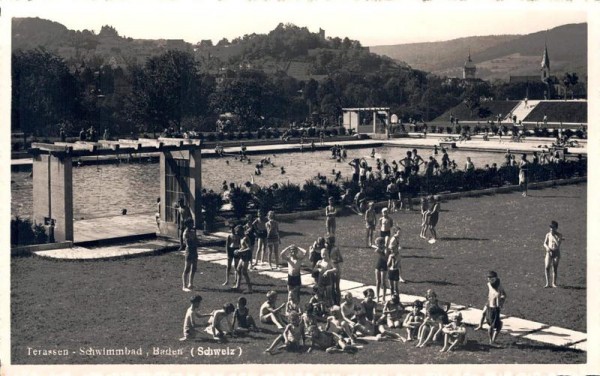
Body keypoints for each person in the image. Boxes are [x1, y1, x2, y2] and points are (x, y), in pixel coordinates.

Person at [475, 271, 507, 344]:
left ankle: (491, 340)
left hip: (494, 307)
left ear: (496, 278)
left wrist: (501, 302)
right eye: (488, 278)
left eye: (491, 278)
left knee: (493, 325)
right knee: (483, 313)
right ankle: (480, 326)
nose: (489, 280)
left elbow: (504, 295)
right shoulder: (489, 284)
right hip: (489, 302)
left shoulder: (499, 286)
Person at [543, 221, 564, 288]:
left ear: (556, 228)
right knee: (547, 267)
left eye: (553, 228)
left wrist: (554, 236)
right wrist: (547, 248)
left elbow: (558, 245)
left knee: (555, 268)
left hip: (556, 253)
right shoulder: (547, 235)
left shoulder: (559, 235)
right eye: (550, 227)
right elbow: (544, 243)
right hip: (549, 252)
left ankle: (554, 283)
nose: (551, 229)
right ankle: (547, 283)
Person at [233, 229, 253, 293]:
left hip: (246, 257)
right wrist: (238, 250)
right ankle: (237, 286)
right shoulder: (241, 238)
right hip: (242, 256)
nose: (237, 234)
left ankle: (250, 289)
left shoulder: (245, 238)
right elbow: (243, 247)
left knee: (244, 272)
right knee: (238, 270)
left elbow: (249, 248)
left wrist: (240, 251)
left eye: (237, 232)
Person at [181, 218, 198, 292]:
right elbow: (189, 243)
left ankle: (190, 283)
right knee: (187, 268)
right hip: (189, 251)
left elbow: (197, 241)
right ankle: (184, 285)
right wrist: (195, 241)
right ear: (188, 224)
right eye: (191, 223)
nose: (192, 225)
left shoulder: (193, 231)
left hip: (194, 250)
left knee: (194, 267)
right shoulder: (185, 233)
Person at [372, 237, 388, 303]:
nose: (377, 245)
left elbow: (386, 259)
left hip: (384, 265)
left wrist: (380, 253)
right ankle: (378, 297)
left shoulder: (386, 249)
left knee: (383, 282)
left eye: (377, 244)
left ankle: (383, 297)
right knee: (378, 282)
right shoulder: (378, 249)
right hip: (378, 265)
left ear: (381, 244)